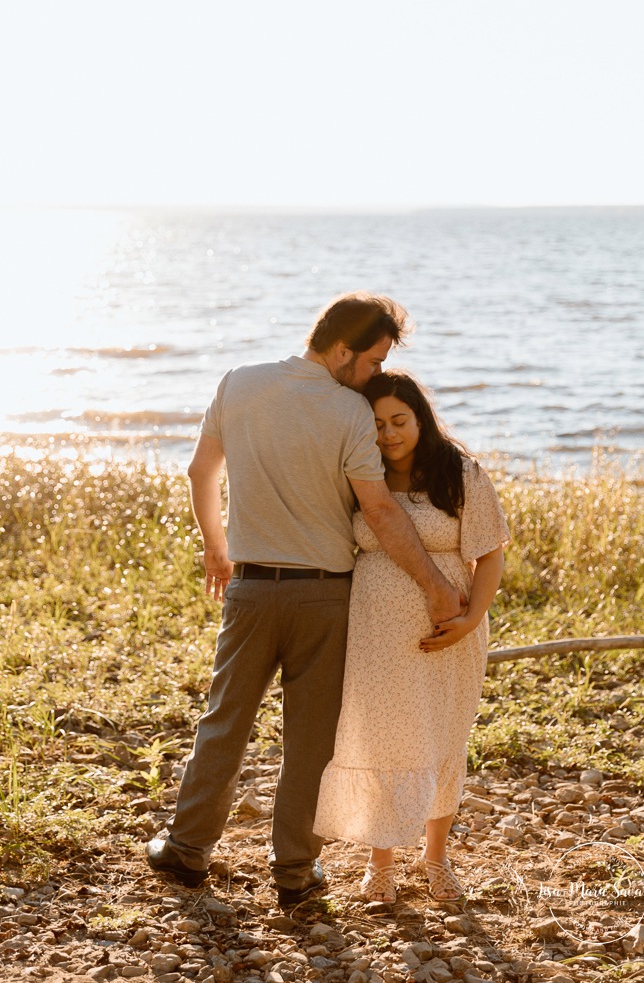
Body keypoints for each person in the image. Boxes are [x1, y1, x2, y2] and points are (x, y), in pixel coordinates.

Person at [145, 294, 462, 907]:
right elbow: (379, 509)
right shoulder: (348, 412)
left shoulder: (238, 383)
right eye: (371, 361)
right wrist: (434, 582)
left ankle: (186, 852)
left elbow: (199, 472)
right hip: (324, 597)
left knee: (225, 722)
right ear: (341, 350)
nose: (374, 374)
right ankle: (293, 871)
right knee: (310, 738)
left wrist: (217, 548)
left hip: (251, 589)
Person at [313, 370, 510, 904]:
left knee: (444, 738)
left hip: (451, 625)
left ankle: (436, 858)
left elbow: (490, 553)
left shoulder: (459, 472)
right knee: (383, 736)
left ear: (421, 418)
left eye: (400, 421)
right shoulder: (361, 472)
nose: (389, 434)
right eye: (375, 424)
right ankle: (380, 864)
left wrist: (470, 621)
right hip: (376, 627)